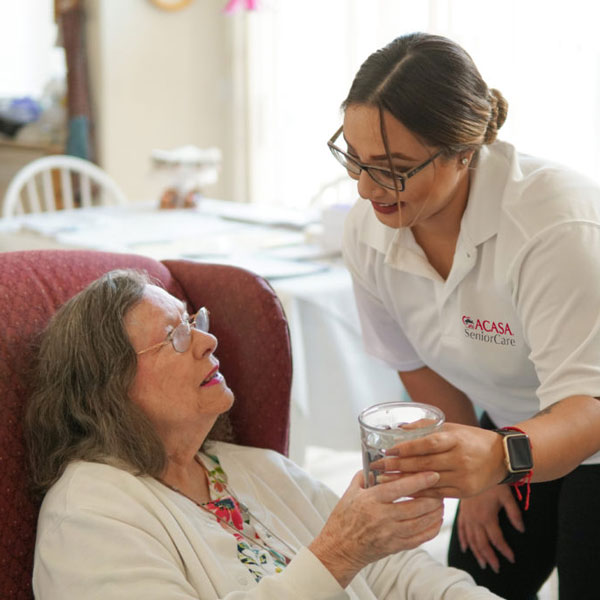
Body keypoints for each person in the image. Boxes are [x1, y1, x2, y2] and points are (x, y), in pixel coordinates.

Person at [25, 269, 501, 600]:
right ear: (110, 384)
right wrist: (337, 553)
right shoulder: (89, 515)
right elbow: (348, 554)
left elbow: (389, 570)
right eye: (176, 336)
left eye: (196, 323)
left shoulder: (252, 467)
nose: (208, 342)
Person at [331, 32, 600, 600]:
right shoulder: (371, 228)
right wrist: (473, 465)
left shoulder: (554, 228)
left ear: (464, 152)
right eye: (355, 160)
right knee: (469, 584)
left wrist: (500, 459)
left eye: (394, 167)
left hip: (587, 421)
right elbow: (411, 360)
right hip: (514, 425)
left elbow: (587, 407)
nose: (366, 188)